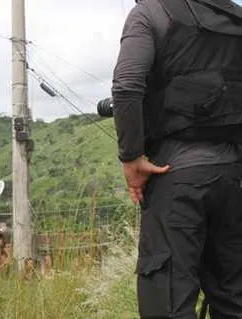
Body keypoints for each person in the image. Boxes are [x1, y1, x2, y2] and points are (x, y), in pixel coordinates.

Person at [112, 1, 242, 317]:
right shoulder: (235, 18)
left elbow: (127, 85)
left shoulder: (151, 13)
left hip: (176, 176)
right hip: (234, 178)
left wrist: (131, 159)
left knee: (168, 304)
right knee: (234, 301)